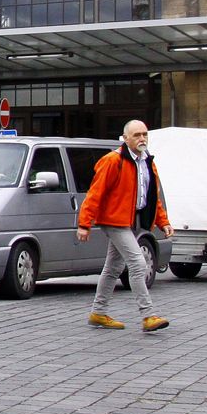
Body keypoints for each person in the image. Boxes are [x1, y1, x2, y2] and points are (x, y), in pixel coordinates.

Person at [77, 119, 171, 332]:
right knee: (138, 264)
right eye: (137, 135)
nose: (142, 139)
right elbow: (95, 193)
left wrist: (163, 222)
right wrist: (84, 223)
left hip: (131, 221)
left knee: (113, 267)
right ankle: (148, 316)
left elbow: (152, 196)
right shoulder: (113, 160)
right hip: (114, 221)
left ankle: (98, 313)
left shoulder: (148, 162)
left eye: (145, 134)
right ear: (125, 138)